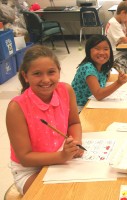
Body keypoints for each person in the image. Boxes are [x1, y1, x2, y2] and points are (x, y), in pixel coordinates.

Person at [6, 45, 84, 195]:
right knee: (60, 194)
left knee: (83, 190)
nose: (46, 80)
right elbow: (25, 158)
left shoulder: (66, 90)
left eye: (51, 72)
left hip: (61, 156)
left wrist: (76, 142)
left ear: (59, 72)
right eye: (37, 74)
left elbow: (73, 122)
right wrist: (61, 157)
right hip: (30, 169)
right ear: (25, 76)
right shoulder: (16, 108)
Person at [71, 35, 127, 111]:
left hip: (92, 103)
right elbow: (98, 94)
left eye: (106, 49)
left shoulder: (102, 65)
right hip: (80, 108)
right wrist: (118, 83)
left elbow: (104, 79)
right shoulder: (88, 68)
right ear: (88, 51)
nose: (102, 52)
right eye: (97, 49)